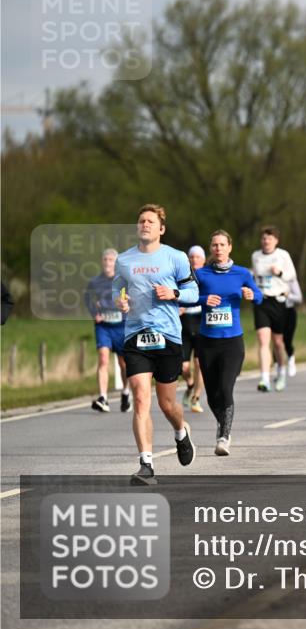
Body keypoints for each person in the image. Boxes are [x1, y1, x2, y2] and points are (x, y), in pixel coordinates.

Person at [112, 204, 198, 485]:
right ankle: (146, 464)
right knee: (140, 398)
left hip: (168, 336)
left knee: (167, 404)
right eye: (141, 221)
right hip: (135, 335)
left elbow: (193, 292)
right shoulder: (124, 260)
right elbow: (115, 289)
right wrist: (119, 301)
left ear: (161, 228)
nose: (145, 224)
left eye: (150, 221)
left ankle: (181, 433)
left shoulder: (176, 257)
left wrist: (173, 293)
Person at [188, 230, 262, 456]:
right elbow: (185, 297)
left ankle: (224, 436)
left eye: (222, 244)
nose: (218, 248)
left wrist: (252, 295)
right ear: (211, 249)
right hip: (207, 342)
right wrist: (204, 299)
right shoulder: (201, 274)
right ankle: (223, 424)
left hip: (232, 343)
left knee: (225, 388)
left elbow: (259, 296)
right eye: (215, 245)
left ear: (230, 247)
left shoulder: (242, 273)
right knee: (212, 395)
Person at [251, 226, 297, 392]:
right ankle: (264, 378)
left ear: (276, 241)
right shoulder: (256, 256)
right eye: (264, 238)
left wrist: (279, 273)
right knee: (263, 339)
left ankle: (281, 372)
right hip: (261, 301)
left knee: (278, 342)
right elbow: (255, 276)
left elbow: (292, 276)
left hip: (278, 301)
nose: (266, 241)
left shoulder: (283, 255)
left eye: (269, 238)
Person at [85, 248, 130, 413]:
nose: (107, 263)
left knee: (123, 363)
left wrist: (125, 306)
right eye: (105, 259)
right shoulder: (95, 282)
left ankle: (126, 392)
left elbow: (130, 299)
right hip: (103, 327)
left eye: (111, 260)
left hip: (122, 326)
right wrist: (94, 313)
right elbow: (87, 298)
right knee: (103, 359)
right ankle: (103, 398)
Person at [179, 246, 206, 413]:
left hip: (201, 323)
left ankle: (196, 397)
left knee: (199, 363)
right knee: (183, 367)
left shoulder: (207, 277)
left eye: (198, 257)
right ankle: (190, 384)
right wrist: (178, 306)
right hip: (185, 325)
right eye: (192, 257)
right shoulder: (182, 276)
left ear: (203, 259)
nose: (195, 259)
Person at [279, 275, 303, 379]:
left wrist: (288, 295)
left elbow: (299, 298)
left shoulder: (290, 279)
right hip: (275, 310)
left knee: (287, 340)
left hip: (289, 311)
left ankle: (290, 357)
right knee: (277, 341)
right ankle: (279, 369)